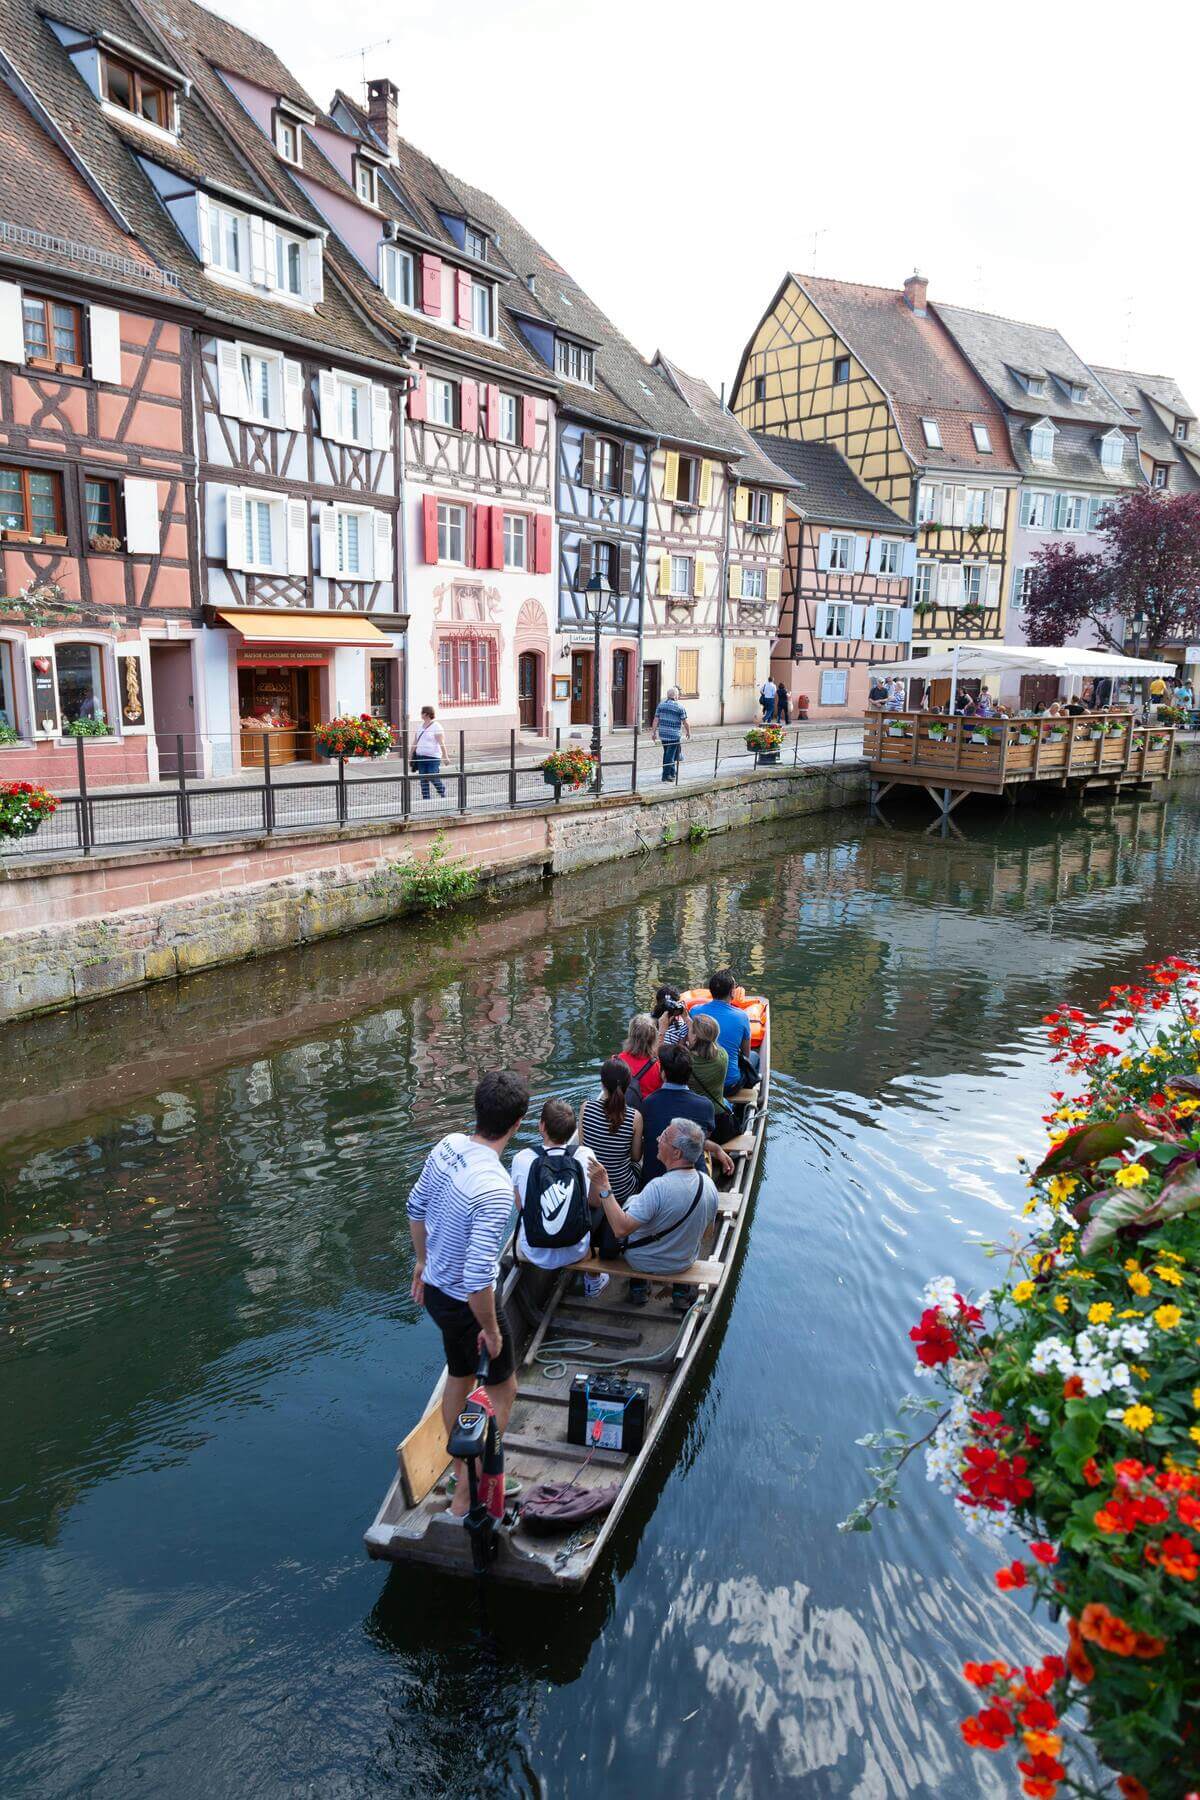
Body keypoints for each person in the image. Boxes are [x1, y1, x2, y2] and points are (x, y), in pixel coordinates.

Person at [406, 1070, 528, 1519]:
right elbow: (479, 1276)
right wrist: (493, 1330)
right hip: (467, 1301)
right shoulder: (496, 1188)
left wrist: (422, 1261)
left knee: (459, 1375)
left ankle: (461, 1468)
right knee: (504, 1385)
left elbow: (416, 1207)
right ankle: (471, 1485)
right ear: (517, 1124)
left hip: (438, 1291)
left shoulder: (448, 1146)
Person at [594, 1118, 719, 1310]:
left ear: (677, 1152)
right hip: (684, 1261)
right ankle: (681, 1292)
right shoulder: (708, 1185)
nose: (658, 1139)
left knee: (628, 1210)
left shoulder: (658, 1188)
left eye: (665, 1137)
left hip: (642, 1261)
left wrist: (604, 1186)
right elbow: (707, 1233)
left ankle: (638, 1288)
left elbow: (620, 1229)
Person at [511, 1097, 608, 1298]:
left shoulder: (522, 1158)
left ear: (542, 1126)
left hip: (535, 1252)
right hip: (577, 1250)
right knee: (601, 1207)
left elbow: (521, 1207)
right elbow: (594, 1203)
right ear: (572, 1131)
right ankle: (593, 1281)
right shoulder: (585, 1154)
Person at [635, 1042, 734, 1185]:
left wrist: (717, 1149)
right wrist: (717, 1149)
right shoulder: (705, 1106)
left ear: (662, 1073)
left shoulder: (648, 1103)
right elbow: (697, 1141)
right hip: (693, 1184)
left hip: (652, 1181)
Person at [580, 1059, 644, 1222]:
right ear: (628, 1084)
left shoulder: (586, 1108)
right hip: (621, 1191)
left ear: (602, 1083)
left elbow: (582, 1148)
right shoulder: (635, 1117)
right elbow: (636, 1157)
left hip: (591, 1191)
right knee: (639, 1164)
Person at [691, 967, 756, 1095]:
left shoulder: (694, 1011)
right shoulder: (742, 1016)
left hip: (698, 1082)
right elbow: (746, 1054)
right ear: (732, 992)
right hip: (729, 1086)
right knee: (754, 1057)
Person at [687, 1011, 738, 1143]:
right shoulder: (723, 1055)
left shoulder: (686, 1062)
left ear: (694, 1037)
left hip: (695, 1119)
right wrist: (686, 1018)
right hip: (718, 1117)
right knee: (726, 1102)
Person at [616, 1013, 662, 1100]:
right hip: (645, 1109)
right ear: (654, 1038)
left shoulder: (617, 1060)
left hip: (622, 1107)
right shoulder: (658, 1067)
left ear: (630, 1035)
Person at [651, 685, 689, 781]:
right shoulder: (679, 707)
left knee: (667, 753)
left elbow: (656, 720)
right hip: (674, 735)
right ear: (676, 696)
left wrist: (653, 733)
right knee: (670, 755)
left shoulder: (661, 705)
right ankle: (665, 775)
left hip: (663, 734)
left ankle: (672, 773)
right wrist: (688, 732)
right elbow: (685, 722)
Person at [412, 705, 446, 800]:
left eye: (422, 713)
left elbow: (441, 742)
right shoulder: (420, 727)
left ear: (426, 714)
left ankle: (441, 790)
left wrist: (445, 756)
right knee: (423, 778)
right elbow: (415, 742)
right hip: (421, 756)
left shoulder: (436, 726)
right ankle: (426, 798)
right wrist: (410, 754)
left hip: (433, 757)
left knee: (432, 776)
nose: (421, 714)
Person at [651, 985, 691, 1049]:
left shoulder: (647, 1022)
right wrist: (686, 1017)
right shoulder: (682, 1027)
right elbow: (680, 1050)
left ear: (657, 1002)